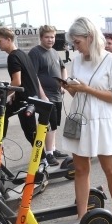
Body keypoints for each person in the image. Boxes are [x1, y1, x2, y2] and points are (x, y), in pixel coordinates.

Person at [63, 17, 112, 222]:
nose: (75, 47)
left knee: (109, 168)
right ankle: (82, 216)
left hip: (104, 119)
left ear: (90, 37)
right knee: (80, 169)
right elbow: (79, 96)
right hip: (81, 118)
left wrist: (86, 89)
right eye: (73, 43)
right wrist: (71, 89)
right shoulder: (76, 61)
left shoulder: (111, 60)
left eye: (77, 42)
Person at [0, 27, 50, 165]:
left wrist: (2, 96)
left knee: (29, 131)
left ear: (8, 40)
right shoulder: (22, 54)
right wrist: (13, 93)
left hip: (26, 100)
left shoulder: (13, 57)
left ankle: (42, 160)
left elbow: (17, 81)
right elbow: (26, 79)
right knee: (4, 115)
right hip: (28, 96)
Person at [28, 25, 69, 166]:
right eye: (47, 37)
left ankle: (53, 148)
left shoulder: (54, 52)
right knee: (48, 124)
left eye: (52, 37)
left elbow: (63, 69)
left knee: (55, 124)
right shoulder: (35, 52)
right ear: (41, 38)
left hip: (57, 94)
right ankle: (48, 154)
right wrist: (42, 95)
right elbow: (33, 76)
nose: (50, 39)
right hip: (46, 95)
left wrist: (64, 84)